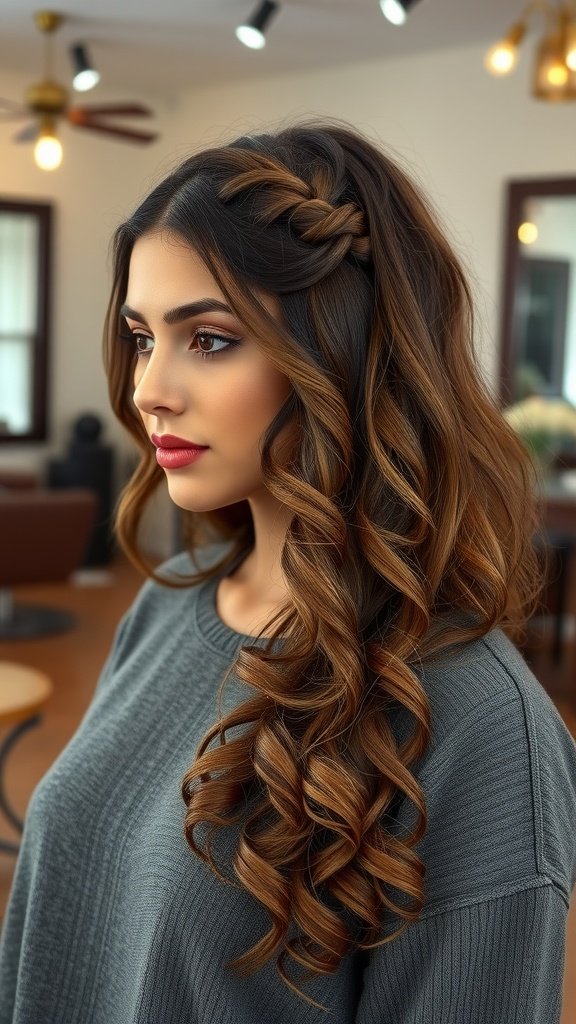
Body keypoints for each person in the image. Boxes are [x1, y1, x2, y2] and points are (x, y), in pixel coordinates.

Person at [1, 119, 575, 1024]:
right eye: (143, 335)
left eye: (211, 338)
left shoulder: (484, 730)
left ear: (342, 355)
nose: (148, 385)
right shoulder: (166, 606)